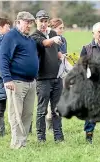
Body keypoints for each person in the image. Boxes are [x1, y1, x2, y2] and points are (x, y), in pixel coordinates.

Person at [0, 11, 39, 149]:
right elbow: (3, 58)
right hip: (16, 82)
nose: (29, 25)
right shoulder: (11, 36)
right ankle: (17, 144)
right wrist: (7, 79)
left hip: (31, 82)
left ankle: (23, 142)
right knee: (16, 114)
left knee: (27, 114)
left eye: (31, 22)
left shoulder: (29, 39)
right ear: (18, 22)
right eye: (27, 22)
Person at [30, 10, 64, 143]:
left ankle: (59, 137)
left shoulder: (53, 33)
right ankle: (41, 138)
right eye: (41, 21)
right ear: (36, 22)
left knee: (57, 110)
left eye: (45, 21)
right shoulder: (35, 36)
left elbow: (56, 51)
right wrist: (53, 39)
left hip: (57, 77)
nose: (43, 24)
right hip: (43, 79)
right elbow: (45, 44)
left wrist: (61, 56)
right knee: (42, 110)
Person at [45, 18, 68, 130]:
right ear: (53, 29)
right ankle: (48, 122)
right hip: (49, 75)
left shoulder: (63, 40)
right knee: (49, 103)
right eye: (60, 28)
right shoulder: (48, 39)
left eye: (63, 28)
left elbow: (64, 55)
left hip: (62, 73)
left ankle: (56, 127)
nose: (62, 30)